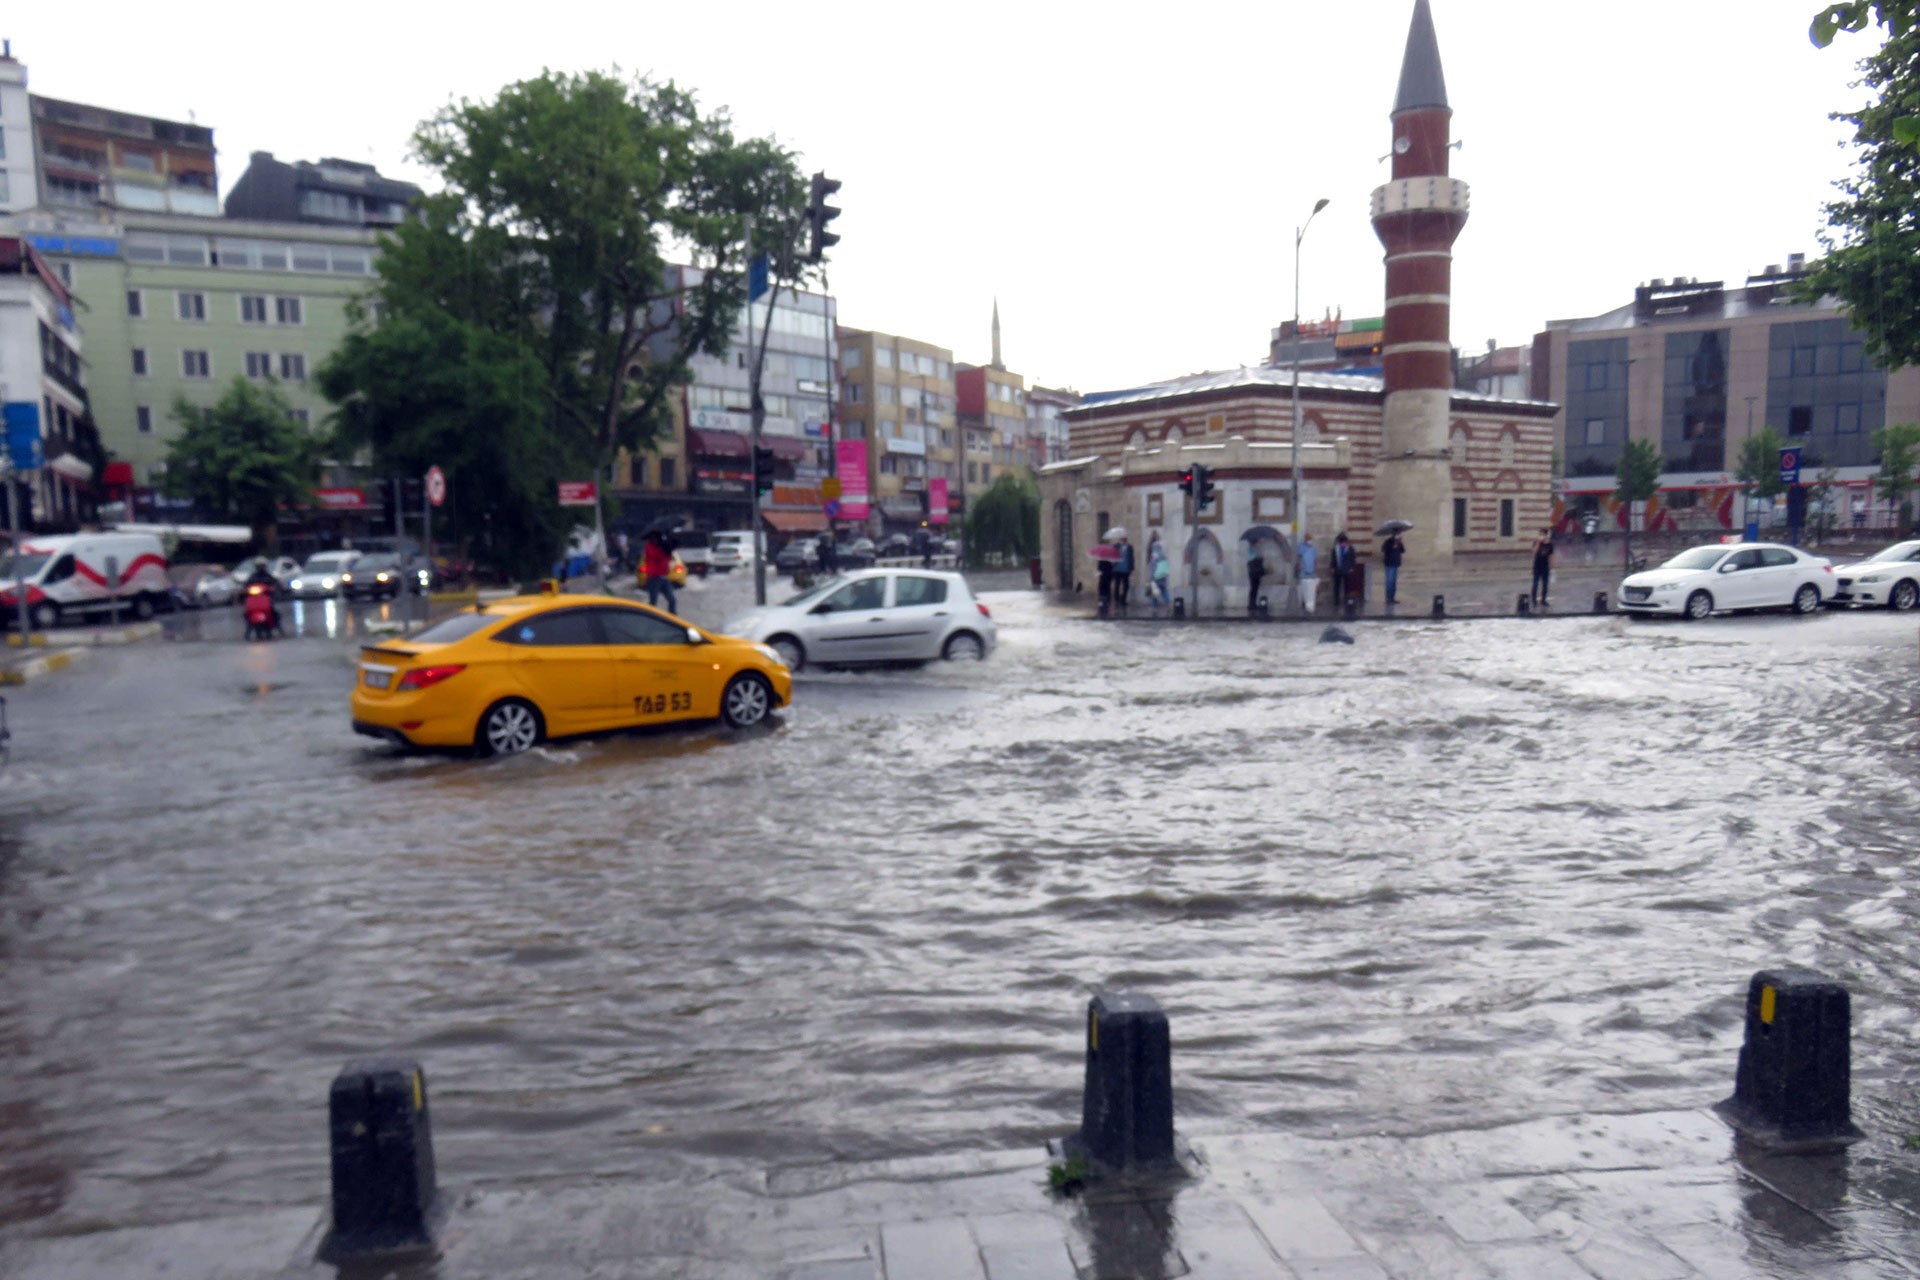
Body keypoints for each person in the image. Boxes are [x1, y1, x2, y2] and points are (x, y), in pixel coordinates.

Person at [642, 530, 678, 613]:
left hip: (664, 577)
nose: (656, 539)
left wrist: (669, 548)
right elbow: (656, 557)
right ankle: (650, 618)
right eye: (654, 538)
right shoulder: (649, 547)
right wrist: (664, 550)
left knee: (672, 600)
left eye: (657, 537)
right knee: (653, 601)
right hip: (654, 578)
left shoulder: (663, 546)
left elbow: (668, 559)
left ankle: (672, 617)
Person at [1330, 533, 1357, 609]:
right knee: (1336, 586)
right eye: (1341, 543)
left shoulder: (1350, 549)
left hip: (1347, 570)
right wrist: (1332, 567)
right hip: (1337, 569)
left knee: (1347, 586)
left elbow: (1353, 559)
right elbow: (1333, 559)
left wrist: (1352, 567)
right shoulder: (1335, 549)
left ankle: (1347, 600)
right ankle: (1336, 601)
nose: (1343, 544)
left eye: (1344, 542)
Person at [1530, 526, 1555, 607]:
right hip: (1537, 565)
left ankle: (1543, 600)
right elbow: (1534, 552)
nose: (1541, 536)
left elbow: (1551, 555)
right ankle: (1533, 600)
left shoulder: (1550, 544)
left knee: (1545, 584)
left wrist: (1552, 566)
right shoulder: (1536, 542)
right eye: (1540, 534)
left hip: (1545, 566)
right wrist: (1538, 542)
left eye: (1543, 534)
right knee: (1535, 583)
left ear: (1546, 535)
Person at [1147, 535, 1171, 613]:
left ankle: (1155, 607)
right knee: (1164, 590)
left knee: (1154, 592)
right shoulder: (1163, 554)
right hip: (1163, 576)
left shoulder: (1154, 556)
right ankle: (1169, 604)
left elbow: (1153, 567)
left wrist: (1151, 577)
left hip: (1156, 576)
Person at [1380, 529, 1405, 604]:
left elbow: (1403, 550)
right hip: (1389, 564)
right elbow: (1383, 549)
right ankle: (1388, 598)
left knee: (1394, 582)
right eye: (1397, 533)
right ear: (1393, 534)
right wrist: (1392, 546)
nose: (1399, 535)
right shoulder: (1388, 541)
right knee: (1389, 582)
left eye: (1399, 533)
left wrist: (1400, 544)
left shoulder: (1399, 542)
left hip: (1396, 564)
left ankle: (1392, 598)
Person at [1296, 534, 1318, 615]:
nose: (1310, 541)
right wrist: (1299, 567)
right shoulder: (1301, 547)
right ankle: (1303, 603)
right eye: (1309, 539)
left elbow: (1315, 559)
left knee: (1310, 589)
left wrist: (1315, 569)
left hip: (1311, 571)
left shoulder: (1313, 548)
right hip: (1303, 571)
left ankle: (1310, 605)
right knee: (1303, 588)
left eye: (1311, 539)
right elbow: (1299, 557)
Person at [1113, 535, 1134, 609]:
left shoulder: (1129, 547)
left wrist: (1131, 568)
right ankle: (1116, 599)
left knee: (1126, 585)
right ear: (1120, 539)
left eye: (1125, 538)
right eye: (1122, 538)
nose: (1124, 539)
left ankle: (1124, 600)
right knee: (1117, 585)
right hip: (1117, 568)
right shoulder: (1116, 546)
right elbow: (1112, 556)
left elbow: (1131, 558)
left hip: (1126, 569)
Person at [1245, 537, 1266, 612]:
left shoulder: (1255, 550)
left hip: (1255, 572)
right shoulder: (1252, 550)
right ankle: (1251, 604)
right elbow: (1253, 559)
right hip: (1254, 572)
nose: (1259, 544)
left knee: (1255, 589)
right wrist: (1260, 557)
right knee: (1253, 588)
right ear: (1255, 543)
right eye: (1257, 543)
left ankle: (1253, 604)